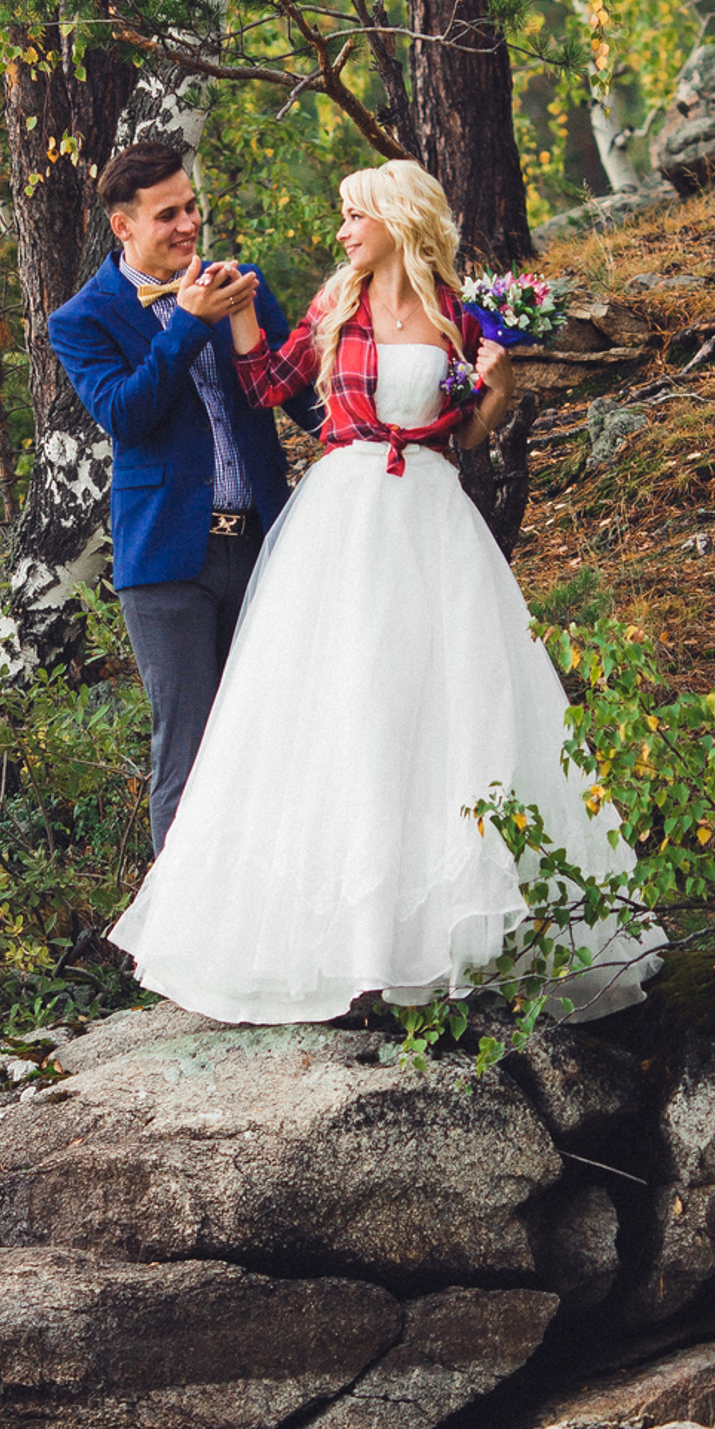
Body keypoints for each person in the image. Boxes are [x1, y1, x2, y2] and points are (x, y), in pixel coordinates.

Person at [108, 158, 663, 1024]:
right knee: (341, 709)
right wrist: (250, 313)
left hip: (432, 517)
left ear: (395, 218)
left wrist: (500, 383)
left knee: (445, 707)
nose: (341, 231)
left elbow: (468, 432)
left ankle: (449, 939)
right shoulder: (338, 305)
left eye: (352, 215)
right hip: (345, 518)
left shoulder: (456, 315)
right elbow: (270, 389)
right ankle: (343, 946)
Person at [48, 143, 322, 853]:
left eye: (191, 206)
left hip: (262, 542)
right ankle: (173, 946)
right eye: (168, 213)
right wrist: (190, 323)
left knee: (267, 733)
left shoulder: (242, 285)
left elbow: (297, 395)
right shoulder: (81, 319)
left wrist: (390, 425)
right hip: (168, 560)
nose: (188, 224)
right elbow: (127, 415)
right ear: (123, 226)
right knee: (190, 748)